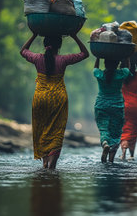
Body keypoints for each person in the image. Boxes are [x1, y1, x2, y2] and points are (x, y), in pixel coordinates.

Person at [20, 32, 89, 169]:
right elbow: (84, 53)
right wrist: (74, 36)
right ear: (59, 46)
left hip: (40, 98)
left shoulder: (37, 58)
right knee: (56, 130)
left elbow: (23, 51)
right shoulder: (63, 60)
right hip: (58, 98)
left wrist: (34, 35)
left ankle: (45, 162)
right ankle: (52, 164)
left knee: (42, 129)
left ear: (45, 45)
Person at [94, 58, 131, 163]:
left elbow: (95, 68)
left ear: (105, 64)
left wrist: (97, 57)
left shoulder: (99, 74)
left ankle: (105, 143)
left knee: (104, 129)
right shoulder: (121, 74)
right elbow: (128, 69)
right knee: (116, 132)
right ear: (117, 64)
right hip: (117, 106)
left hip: (101, 105)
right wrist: (127, 56)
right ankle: (111, 159)